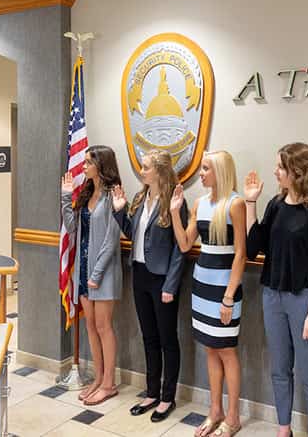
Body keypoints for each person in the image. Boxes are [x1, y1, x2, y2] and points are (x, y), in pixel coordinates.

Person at [245, 142, 308, 437]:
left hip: (305, 299)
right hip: (272, 295)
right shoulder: (275, 204)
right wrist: (251, 203)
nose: (275, 172)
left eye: (280, 168)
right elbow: (253, 248)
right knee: (280, 368)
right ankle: (283, 428)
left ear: (296, 172)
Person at [170, 151, 247, 437]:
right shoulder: (199, 204)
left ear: (220, 171)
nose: (200, 174)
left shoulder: (235, 204)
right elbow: (184, 244)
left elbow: (240, 254)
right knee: (210, 349)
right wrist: (174, 212)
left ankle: (233, 416)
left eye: (205, 169)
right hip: (201, 286)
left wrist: (229, 297)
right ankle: (214, 411)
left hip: (225, 289)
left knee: (227, 350)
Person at [112, 149, 187, 422]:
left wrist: (171, 285)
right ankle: (152, 392)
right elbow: (133, 234)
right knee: (149, 337)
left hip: (162, 279)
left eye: (145, 167)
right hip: (140, 274)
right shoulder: (139, 197)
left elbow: (181, 249)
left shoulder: (175, 201)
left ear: (159, 171)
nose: (141, 171)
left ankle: (168, 398)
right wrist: (120, 213)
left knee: (168, 339)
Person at [60, 145, 123, 406]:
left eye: (88, 163)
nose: (83, 167)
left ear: (101, 165)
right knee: (90, 327)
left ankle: (109, 383)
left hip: (104, 271)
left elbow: (111, 240)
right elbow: (72, 227)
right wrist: (66, 198)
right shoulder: (87, 193)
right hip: (84, 269)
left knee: (103, 326)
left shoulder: (113, 195)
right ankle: (98, 379)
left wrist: (96, 274)